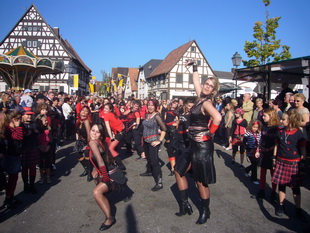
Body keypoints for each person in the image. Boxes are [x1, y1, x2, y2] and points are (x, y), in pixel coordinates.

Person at [174, 61, 221, 224]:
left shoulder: (207, 102)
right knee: (178, 171)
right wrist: (194, 67)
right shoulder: (200, 97)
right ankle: (185, 204)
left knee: (200, 181)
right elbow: (195, 80)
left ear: (213, 90)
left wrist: (208, 135)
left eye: (210, 86)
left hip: (202, 146)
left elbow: (218, 118)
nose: (207, 87)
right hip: (193, 144)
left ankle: (205, 211)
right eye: (206, 84)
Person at [272, 110, 306, 220]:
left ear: (291, 120)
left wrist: (302, 163)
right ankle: (281, 205)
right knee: (281, 185)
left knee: (295, 187)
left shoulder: (298, 133)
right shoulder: (280, 132)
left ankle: (298, 209)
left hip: (293, 162)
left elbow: (303, 150)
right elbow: (276, 146)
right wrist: (274, 158)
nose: (281, 120)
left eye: (283, 119)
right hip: (281, 161)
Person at [88, 124, 117, 231]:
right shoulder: (99, 141)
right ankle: (106, 199)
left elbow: (100, 160)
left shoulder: (93, 142)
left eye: (97, 132)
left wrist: (105, 178)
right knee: (94, 174)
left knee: (96, 192)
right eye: (93, 130)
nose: (94, 133)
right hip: (110, 170)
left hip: (110, 174)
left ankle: (109, 219)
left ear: (101, 134)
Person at [140, 99, 166, 191]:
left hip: (153, 141)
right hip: (146, 141)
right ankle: (149, 171)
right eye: (149, 105)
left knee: (154, 161)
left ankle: (159, 182)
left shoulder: (157, 116)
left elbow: (164, 129)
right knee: (148, 158)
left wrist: (159, 140)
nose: (150, 107)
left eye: (152, 105)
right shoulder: (147, 115)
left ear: (155, 106)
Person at [256, 108, 280, 202]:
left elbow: (277, 143)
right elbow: (261, 138)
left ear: (271, 116)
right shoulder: (264, 126)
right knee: (262, 172)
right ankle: (261, 190)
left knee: (273, 173)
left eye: (265, 115)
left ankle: (273, 192)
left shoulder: (276, 128)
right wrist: (258, 149)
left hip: (272, 153)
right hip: (263, 152)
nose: (263, 117)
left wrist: (274, 154)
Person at [2, 110, 23, 208]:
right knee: (11, 178)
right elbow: (18, 137)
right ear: (13, 119)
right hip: (11, 156)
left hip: (16, 155)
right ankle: (8, 197)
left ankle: (11, 195)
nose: (20, 121)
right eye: (17, 119)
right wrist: (18, 127)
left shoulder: (13, 128)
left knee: (14, 178)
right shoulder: (8, 129)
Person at [21, 107, 39, 194]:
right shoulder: (20, 124)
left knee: (32, 167)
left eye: (30, 115)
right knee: (24, 167)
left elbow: (39, 133)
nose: (29, 117)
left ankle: (32, 185)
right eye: (27, 115)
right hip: (24, 148)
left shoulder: (34, 124)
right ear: (23, 115)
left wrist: (36, 132)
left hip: (33, 146)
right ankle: (25, 185)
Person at [102, 103, 126, 171]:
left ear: (110, 109)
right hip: (121, 131)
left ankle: (120, 165)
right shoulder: (112, 114)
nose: (105, 110)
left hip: (120, 132)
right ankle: (113, 162)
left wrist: (111, 137)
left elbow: (108, 127)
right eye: (104, 108)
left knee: (110, 148)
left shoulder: (107, 115)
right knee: (110, 146)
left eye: (106, 108)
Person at [75, 106, 92, 181]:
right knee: (78, 154)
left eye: (86, 111)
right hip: (80, 140)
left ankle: (89, 173)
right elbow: (77, 132)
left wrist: (88, 145)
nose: (84, 112)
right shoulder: (78, 120)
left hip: (87, 141)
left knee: (87, 155)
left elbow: (89, 134)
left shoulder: (86, 121)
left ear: (88, 113)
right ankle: (86, 169)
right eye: (82, 110)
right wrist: (77, 141)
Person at [243, 120, 262, 185]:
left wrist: (259, 150)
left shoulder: (259, 133)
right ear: (251, 126)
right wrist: (248, 149)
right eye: (254, 127)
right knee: (254, 164)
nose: (255, 129)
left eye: (257, 127)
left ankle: (247, 169)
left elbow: (260, 142)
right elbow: (244, 143)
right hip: (250, 151)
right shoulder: (247, 134)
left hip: (257, 151)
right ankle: (254, 178)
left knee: (256, 164)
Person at [36, 114, 52, 184]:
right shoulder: (38, 130)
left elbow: (51, 139)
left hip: (47, 147)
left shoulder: (48, 129)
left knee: (48, 163)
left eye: (47, 121)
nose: (46, 122)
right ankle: (42, 177)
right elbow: (36, 140)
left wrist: (48, 146)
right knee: (41, 164)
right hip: (40, 148)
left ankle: (48, 176)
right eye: (45, 121)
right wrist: (39, 147)